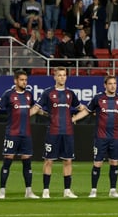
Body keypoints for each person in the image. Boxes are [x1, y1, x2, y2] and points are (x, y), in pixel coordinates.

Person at [37, 67, 91, 199]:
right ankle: (45, 191)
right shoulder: (48, 93)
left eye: (64, 75)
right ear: (54, 77)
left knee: (68, 160)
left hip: (67, 131)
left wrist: (76, 117)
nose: (62, 77)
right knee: (49, 160)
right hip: (53, 131)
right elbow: (37, 108)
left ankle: (67, 190)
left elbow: (81, 108)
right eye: (59, 75)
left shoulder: (70, 94)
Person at [0, 70, 39, 199]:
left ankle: (29, 191)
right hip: (12, 133)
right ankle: (2, 191)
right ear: (15, 81)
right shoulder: (9, 95)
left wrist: (49, 115)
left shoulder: (28, 95)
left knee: (27, 162)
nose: (24, 82)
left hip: (26, 134)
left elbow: (35, 109)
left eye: (26, 80)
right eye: (22, 80)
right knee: (7, 162)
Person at [87, 74, 118, 198]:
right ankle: (93, 190)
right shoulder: (98, 98)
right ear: (105, 85)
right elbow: (88, 111)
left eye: (114, 83)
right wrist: (74, 118)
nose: (113, 86)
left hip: (115, 137)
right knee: (98, 163)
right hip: (101, 136)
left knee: (114, 163)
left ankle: (113, 190)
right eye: (110, 83)